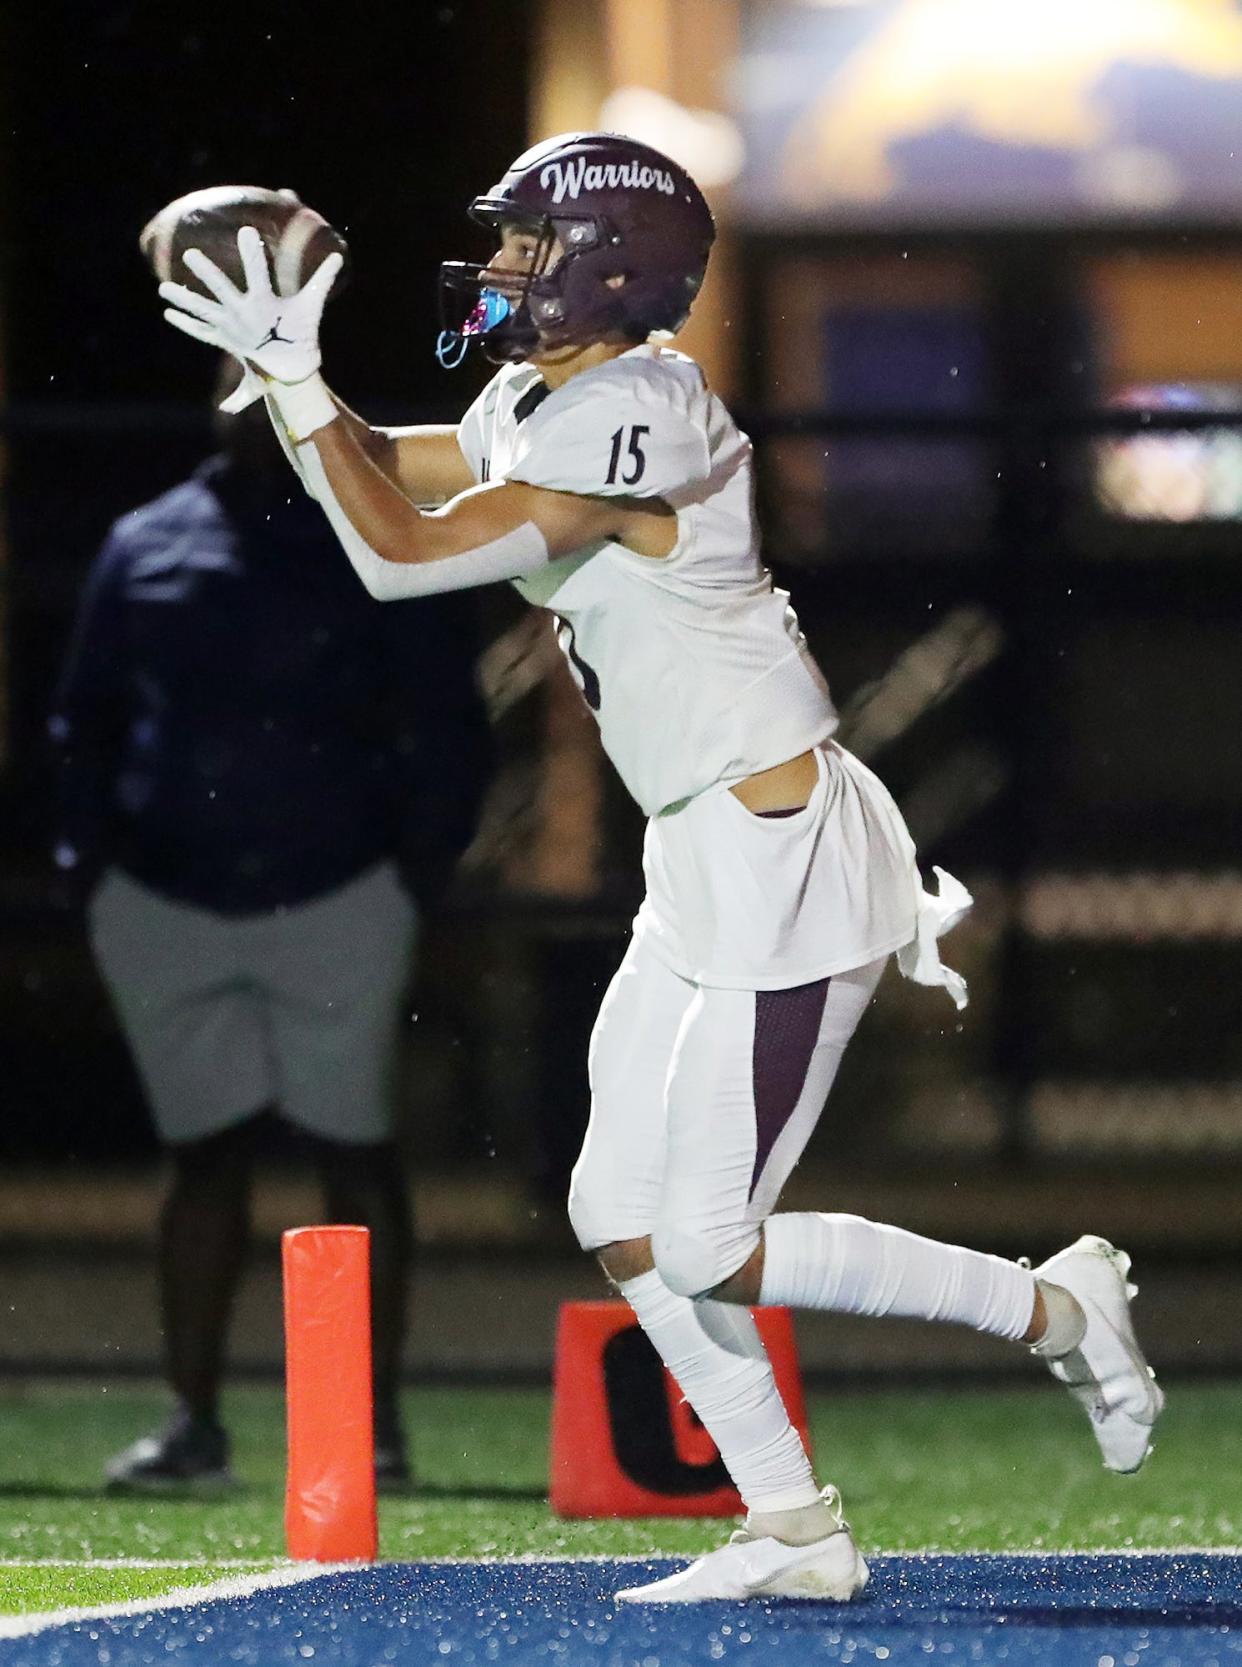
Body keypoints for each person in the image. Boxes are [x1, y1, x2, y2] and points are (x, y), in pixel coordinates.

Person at [156, 133, 1163, 1597]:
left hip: (781, 852)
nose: (495, 267)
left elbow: (397, 556)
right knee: (617, 1214)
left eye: (521, 246)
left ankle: (1054, 1306)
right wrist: (291, 367)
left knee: (705, 1235)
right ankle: (792, 1527)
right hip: (697, 847)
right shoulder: (541, 394)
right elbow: (392, 473)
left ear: (604, 272)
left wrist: (300, 385)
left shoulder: (639, 410)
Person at [49, 361, 493, 1491]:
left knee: (355, 1154)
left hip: (337, 890)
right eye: (238, 380)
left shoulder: (370, 533)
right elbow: (83, 717)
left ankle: (372, 1426)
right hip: (163, 892)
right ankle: (192, 1422)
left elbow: (446, 712)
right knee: (203, 1159)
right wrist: (87, 867)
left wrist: (416, 869)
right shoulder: (147, 537)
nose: (253, 406)